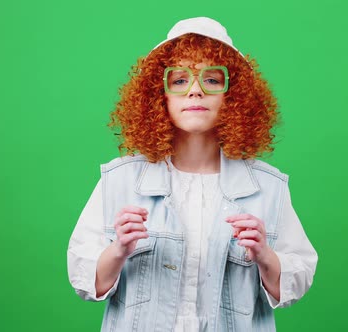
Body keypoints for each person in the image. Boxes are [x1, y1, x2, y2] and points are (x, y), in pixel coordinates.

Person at [67, 17, 318, 332]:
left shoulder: (268, 188)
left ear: (234, 96)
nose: (195, 91)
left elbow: (296, 283)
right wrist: (118, 250)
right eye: (179, 80)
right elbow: (86, 282)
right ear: (160, 96)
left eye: (212, 80)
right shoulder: (119, 181)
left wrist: (264, 255)